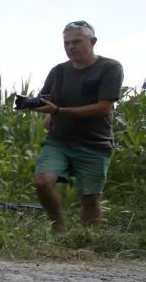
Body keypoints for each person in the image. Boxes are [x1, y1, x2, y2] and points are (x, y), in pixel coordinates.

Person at [31, 20, 124, 233]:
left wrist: (58, 112)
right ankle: (58, 228)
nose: (70, 47)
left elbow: (104, 107)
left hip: (94, 143)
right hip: (59, 141)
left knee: (90, 199)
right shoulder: (58, 71)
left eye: (76, 42)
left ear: (92, 42)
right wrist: (34, 105)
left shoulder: (110, 68)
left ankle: (87, 241)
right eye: (67, 43)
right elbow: (46, 100)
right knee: (42, 182)